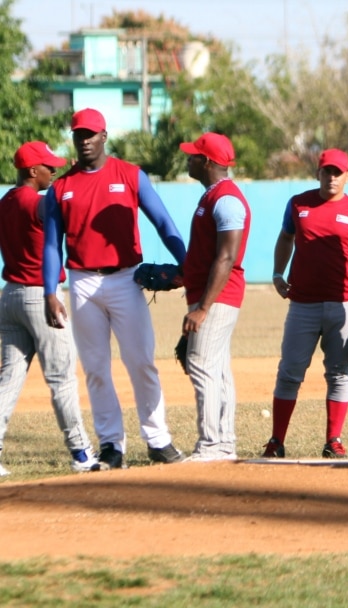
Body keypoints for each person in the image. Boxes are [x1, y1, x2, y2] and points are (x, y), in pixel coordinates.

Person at [42, 108, 187, 471]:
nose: (85, 140)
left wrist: (188, 263)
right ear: (73, 139)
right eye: (79, 134)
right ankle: (111, 446)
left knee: (141, 361)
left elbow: (163, 220)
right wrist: (49, 291)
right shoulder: (61, 187)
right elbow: (50, 244)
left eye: (91, 134)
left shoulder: (130, 175)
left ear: (104, 136)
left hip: (126, 277)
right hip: (82, 281)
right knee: (95, 367)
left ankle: (158, 439)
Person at [262, 149, 348, 458]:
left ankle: (334, 440)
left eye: (338, 172)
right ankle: (276, 441)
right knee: (289, 371)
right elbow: (285, 238)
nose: (332, 177)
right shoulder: (298, 204)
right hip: (302, 303)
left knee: (339, 372)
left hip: (344, 304)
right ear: (318, 173)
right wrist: (277, 272)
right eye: (327, 171)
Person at [0, 142, 97, 476]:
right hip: (41, 297)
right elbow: (60, 214)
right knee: (62, 379)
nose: (53, 171)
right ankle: (82, 452)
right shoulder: (34, 203)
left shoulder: (7, 200)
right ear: (31, 171)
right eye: (47, 167)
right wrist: (74, 176)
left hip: (9, 295)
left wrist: (65, 176)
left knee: (8, 380)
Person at [178, 133, 251, 461]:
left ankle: (211, 444)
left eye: (194, 156)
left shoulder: (226, 200)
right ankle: (224, 442)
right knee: (217, 368)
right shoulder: (213, 196)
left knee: (202, 363)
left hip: (219, 297)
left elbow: (227, 256)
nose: (189, 159)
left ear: (206, 162)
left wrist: (204, 307)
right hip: (212, 294)